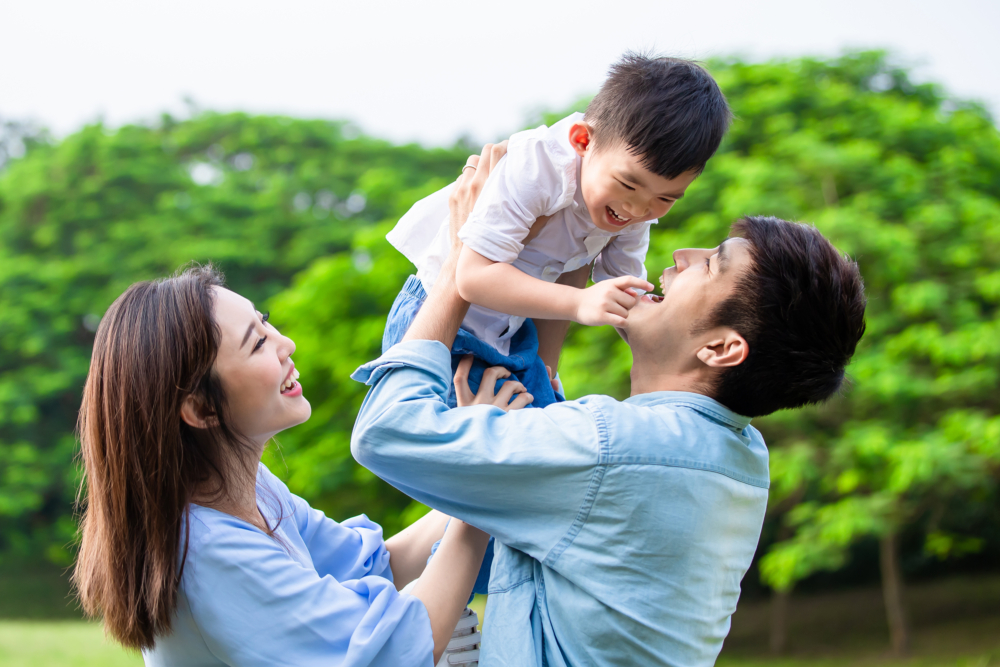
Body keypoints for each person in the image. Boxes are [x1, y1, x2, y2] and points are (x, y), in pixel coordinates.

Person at [351, 143, 867, 666]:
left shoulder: (616, 447)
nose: (679, 258)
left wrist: (462, 260)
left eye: (710, 265)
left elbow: (386, 432)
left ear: (721, 348)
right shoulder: (737, 457)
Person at [72, 262, 516, 666]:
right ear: (202, 409)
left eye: (265, 323)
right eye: (257, 343)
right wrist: (477, 474)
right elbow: (396, 649)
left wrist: (486, 465)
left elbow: (375, 563)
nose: (286, 343)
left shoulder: (248, 491)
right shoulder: (208, 555)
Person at [384, 53, 731, 408]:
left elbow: (625, 286)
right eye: (628, 185)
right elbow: (472, 276)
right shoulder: (537, 166)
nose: (638, 210)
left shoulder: (630, 205)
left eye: (665, 198)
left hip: (513, 333)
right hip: (442, 322)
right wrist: (580, 302)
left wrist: (683, 334)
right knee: (457, 435)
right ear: (583, 141)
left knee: (543, 418)